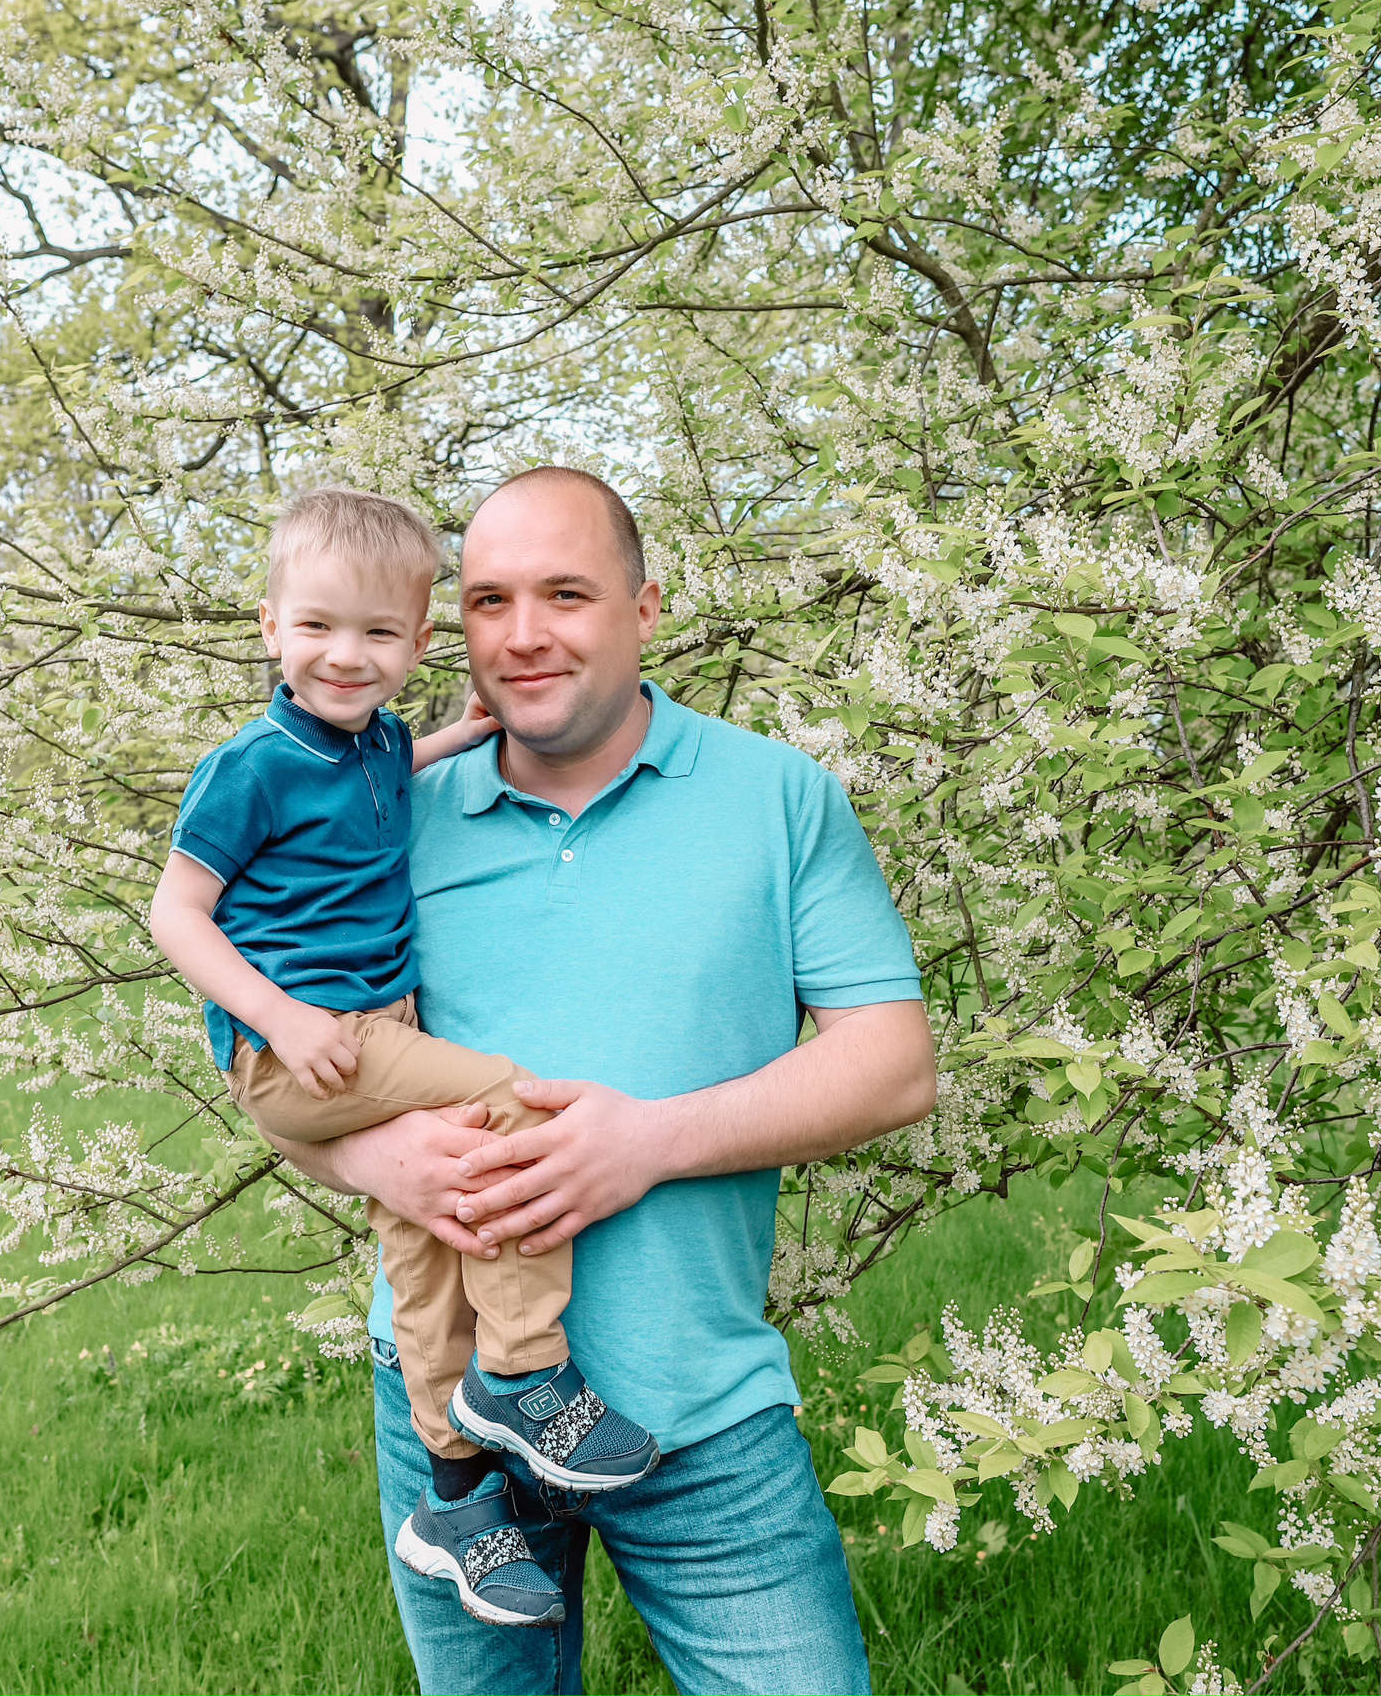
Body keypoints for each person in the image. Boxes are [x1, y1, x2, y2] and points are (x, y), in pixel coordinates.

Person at [267, 467, 939, 1696]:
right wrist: (368, 1157)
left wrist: (647, 1142)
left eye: (566, 594)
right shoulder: (384, 818)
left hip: (700, 1406)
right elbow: (280, 1065)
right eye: (489, 600)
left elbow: (893, 1064)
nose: (523, 634)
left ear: (645, 607)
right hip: (449, 1420)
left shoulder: (775, 797)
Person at [149, 486, 663, 1634]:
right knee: (510, 1098)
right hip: (308, 1048)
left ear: (417, 642)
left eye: (377, 633)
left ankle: (454, 1498)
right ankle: (523, 1373)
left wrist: (455, 740)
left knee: (431, 1247)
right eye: (317, 627)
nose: (346, 656)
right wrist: (279, 1020)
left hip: (375, 1032)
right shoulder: (251, 764)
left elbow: (372, 789)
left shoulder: (375, 743)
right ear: (269, 626)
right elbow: (175, 913)